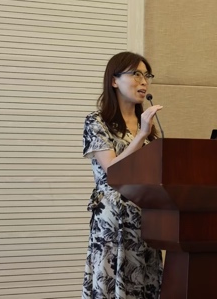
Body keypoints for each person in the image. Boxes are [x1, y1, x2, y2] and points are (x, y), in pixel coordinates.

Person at [81, 51, 164, 299]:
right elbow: (113, 170)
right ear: (114, 81)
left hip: (145, 218)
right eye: (136, 74)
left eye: (147, 75)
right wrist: (141, 135)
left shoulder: (147, 125)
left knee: (145, 285)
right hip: (113, 219)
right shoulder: (97, 122)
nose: (144, 82)